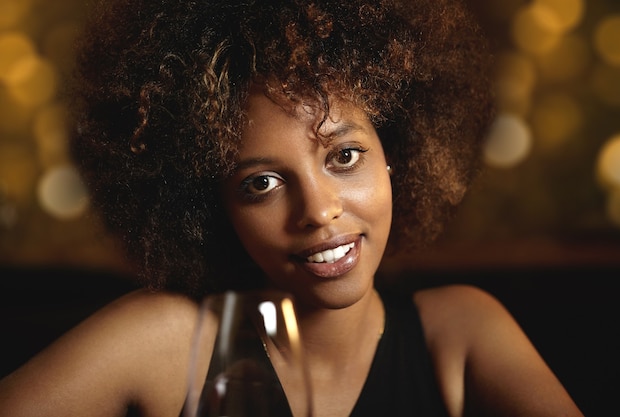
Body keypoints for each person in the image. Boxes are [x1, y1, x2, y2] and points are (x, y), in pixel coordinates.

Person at [0, 0, 584, 416]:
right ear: (213, 207)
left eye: (344, 155)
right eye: (261, 184)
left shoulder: (460, 335)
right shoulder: (174, 343)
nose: (318, 210)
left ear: (395, 153)